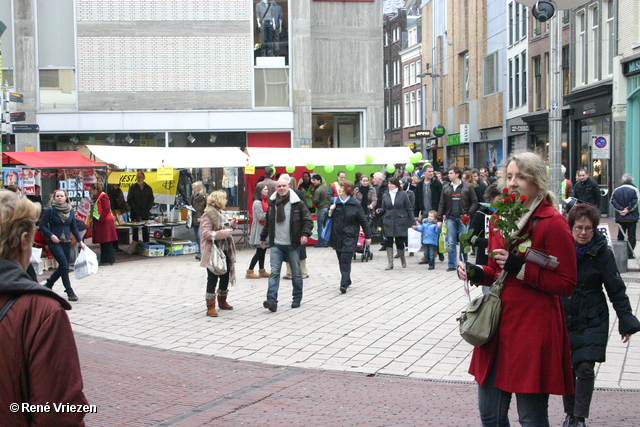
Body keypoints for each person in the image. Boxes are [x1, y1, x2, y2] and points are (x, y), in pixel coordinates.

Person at [457, 152, 577, 427]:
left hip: (532, 329)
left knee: (531, 418)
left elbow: (567, 284)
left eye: (520, 177)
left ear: (536, 181)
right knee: (490, 414)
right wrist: (477, 273)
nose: (512, 183)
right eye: (509, 176)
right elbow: (495, 272)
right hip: (496, 326)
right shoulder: (500, 219)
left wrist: (520, 268)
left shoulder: (553, 223)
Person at [0, 190, 89, 426]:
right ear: (23, 241)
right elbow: (58, 411)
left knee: (64, 266)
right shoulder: (40, 312)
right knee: (63, 266)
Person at [561, 203, 640, 427]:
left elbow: (615, 287)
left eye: (588, 228)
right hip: (566, 316)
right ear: (571, 229)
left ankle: (579, 417)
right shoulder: (562, 251)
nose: (583, 233)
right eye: (578, 228)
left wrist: (626, 319)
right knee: (568, 366)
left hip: (593, 317)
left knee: (585, 367)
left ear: (594, 229)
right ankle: (570, 413)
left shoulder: (602, 253)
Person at [260, 176, 313, 312]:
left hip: (292, 244)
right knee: (274, 273)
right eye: (279, 186)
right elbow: (268, 222)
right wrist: (263, 237)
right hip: (276, 244)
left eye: (284, 186)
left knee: (296, 273)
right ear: (276, 188)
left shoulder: (297, 203)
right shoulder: (272, 203)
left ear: (289, 187)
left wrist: (305, 234)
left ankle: (297, 298)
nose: (282, 188)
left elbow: (308, 220)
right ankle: (271, 301)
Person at [40, 189, 86, 301]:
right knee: (65, 265)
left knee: (63, 266)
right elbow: (42, 226)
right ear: (54, 198)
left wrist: (80, 241)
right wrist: (51, 235)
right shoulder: (50, 210)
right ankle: (69, 291)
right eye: (57, 196)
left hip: (66, 242)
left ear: (66, 197)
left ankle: (49, 284)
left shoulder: (70, 210)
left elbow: (74, 227)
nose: (59, 198)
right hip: (55, 242)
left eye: (61, 196)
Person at [327, 180, 372, 294]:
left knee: (346, 260)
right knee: (341, 260)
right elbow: (326, 218)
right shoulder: (334, 201)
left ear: (348, 190)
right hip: (337, 236)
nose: (340, 189)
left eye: (342, 187)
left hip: (350, 236)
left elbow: (363, 220)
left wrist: (368, 236)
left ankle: (343, 284)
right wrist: (330, 211)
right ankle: (347, 279)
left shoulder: (355, 204)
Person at [199, 190, 238, 317]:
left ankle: (222, 300)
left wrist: (232, 225)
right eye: (224, 199)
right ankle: (210, 306)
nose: (226, 201)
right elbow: (206, 233)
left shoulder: (220, 213)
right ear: (219, 200)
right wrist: (223, 233)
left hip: (225, 249)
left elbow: (225, 228)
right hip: (213, 251)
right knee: (212, 277)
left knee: (225, 276)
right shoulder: (208, 214)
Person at [437, 166, 479, 272]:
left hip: (463, 217)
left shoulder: (468, 186)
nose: (449, 175)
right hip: (450, 217)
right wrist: (439, 218)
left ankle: (464, 262)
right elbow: (442, 203)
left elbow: (474, 201)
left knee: (463, 241)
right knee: (451, 242)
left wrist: (468, 213)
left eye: (451, 173)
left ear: (457, 174)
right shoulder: (446, 187)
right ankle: (451, 264)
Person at [467, 183, 503, 294]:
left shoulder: (509, 214)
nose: (502, 201)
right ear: (491, 198)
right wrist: (490, 242)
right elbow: (471, 238)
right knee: (489, 296)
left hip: (503, 262)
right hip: (486, 260)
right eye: (499, 198)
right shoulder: (481, 213)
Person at [376, 177, 414, 270]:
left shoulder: (403, 194)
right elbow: (384, 208)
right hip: (388, 221)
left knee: (399, 241)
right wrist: (380, 210)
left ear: (396, 184)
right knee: (388, 241)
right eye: (388, 183)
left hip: (400, 220)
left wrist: (413, 221)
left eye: (391, 183)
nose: (389, 185)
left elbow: (408, 208)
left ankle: (402, 259)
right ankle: (390, 263)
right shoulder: (385, 195)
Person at [610, 173, 639, 259]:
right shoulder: (635, 190)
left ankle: (619, 253)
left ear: (623, 180)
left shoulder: (616, 190)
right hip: (632, 217)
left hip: (620, 217)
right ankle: (629, 254)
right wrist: (628, 209)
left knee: (620, 235)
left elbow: (613, 201)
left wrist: (621, 210)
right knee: (632, 236)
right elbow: (636, 201)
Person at [90, 183, 119, 266]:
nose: (90, 192)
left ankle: (107, 259)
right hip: (102, 222)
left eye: (91, 190)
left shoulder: (103, 196)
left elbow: (106, 208)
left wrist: (101, 219)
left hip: (105, 222)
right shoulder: (98, 197)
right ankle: (105, 259)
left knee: (107, 241)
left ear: (95, 190)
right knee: (103, 241)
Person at [247, 184, 271, 279]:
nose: (267, 191)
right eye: (265, 189)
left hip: (263, 228)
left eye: (267, 189)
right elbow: (261, 216)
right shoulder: (257, 203)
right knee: (259, 251)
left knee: (263, 251)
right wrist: (271, 213)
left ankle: (262, 270)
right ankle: (249, 271)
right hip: (259, 228)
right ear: (260, 190)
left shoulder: (263, 201)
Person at [127, 171, 155, 242]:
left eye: (140, 177)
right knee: (135, 230)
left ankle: (146, 244)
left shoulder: (148, 188)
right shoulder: (133, 187)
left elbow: (151, 199)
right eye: (137, 177)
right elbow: (129, 199)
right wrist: (134, 207)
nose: (139, 179)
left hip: (145, 212)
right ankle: (135, 245)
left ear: (144, 177)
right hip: (135, 212)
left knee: (145, 230)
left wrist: (148, 208)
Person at [312, 174, 330, 247]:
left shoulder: (317, 190)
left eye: (315, 180)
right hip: (327, 208)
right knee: (326, 226)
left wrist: (311, 197)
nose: (314, 182)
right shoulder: (326, 188)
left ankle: (321, 243)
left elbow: (315, 200)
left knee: (320, 226)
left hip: (321, 208)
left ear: (319, 180)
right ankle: (326, 242)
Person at [191, 181, 208, 261]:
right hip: (194, 219)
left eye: (194, 188)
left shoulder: (205, 197)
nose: (193, 190)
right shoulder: (193, 196)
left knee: (199, 236)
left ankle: (201, 253)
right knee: (196, 237)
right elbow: (191, 204)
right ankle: (200, 252)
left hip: (201, 219)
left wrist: (203, 218)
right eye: (193, 188)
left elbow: (207, 209)